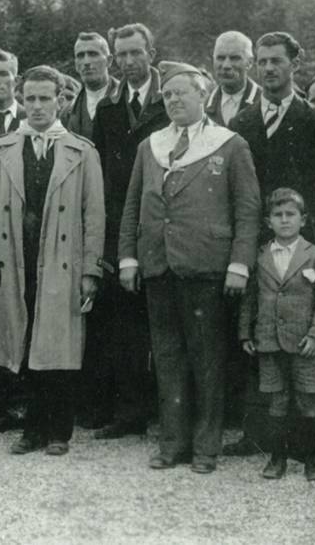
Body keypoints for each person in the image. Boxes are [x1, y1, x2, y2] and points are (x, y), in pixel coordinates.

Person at [118, 61, 260, 474]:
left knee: (208, 360)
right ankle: (172, 443)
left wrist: (239, 264)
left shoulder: (229, 144)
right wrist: (129, 257)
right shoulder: (152, 145)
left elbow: (248, 210)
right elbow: (133, 206)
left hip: (206, 267)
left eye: (182, 92)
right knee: (167, 358)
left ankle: (206, 446)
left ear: (205, 96)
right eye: (168, 94)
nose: (174, 99)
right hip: (159, 265)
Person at [0, 65, 104, 457]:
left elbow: (94, 215)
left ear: (61, 101)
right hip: (16, 256)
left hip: (61, 258)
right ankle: (31, 429)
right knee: (25, 336)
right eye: (29, 98)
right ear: (21, 99)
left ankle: (58, 431)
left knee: (58, 343)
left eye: (44, 98)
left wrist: (90, 269)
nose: (36, 106)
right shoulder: (2, 149)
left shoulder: (81, 151)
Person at [85, 23, 169, 438]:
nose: (129, 61)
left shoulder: (168, 101)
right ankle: (129, 412)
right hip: (122, 226)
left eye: (137, 52)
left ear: (152, 52)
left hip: (164, 226)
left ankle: (170, 412)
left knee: (166, 323)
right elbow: (100, 175)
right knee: (124, 325)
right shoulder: (109, 108)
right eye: (122, 55)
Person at [239, 188, 315, 481]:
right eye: (277, 215)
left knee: (308, 400)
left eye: (290, 215)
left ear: (302, 219)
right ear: (268, 221)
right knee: (277, 400)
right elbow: (250, 298)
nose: (284, 220)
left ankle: (313, 460)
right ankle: (277, 458)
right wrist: (245, 333)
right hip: (269, 341)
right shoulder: (259, 257)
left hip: (305, 342)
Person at [229, 32, 315, 247]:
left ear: (295, 64)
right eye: (263, 62)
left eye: (276, 61)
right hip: (254, 244)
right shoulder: (239, 124)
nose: (269, 68)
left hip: (304, 244)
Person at [62, 31, 120, 140]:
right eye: (80, 56)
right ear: (76, 65)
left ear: (109, 60)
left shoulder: (128, 98)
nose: (86, 62)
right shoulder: (67, 113)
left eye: (93, 54)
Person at [205, 31, 261, 127]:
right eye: (220, 58)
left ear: (250, 63)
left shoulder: (266, 103)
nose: (226, 66)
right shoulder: (203, 105)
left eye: (235, 58)